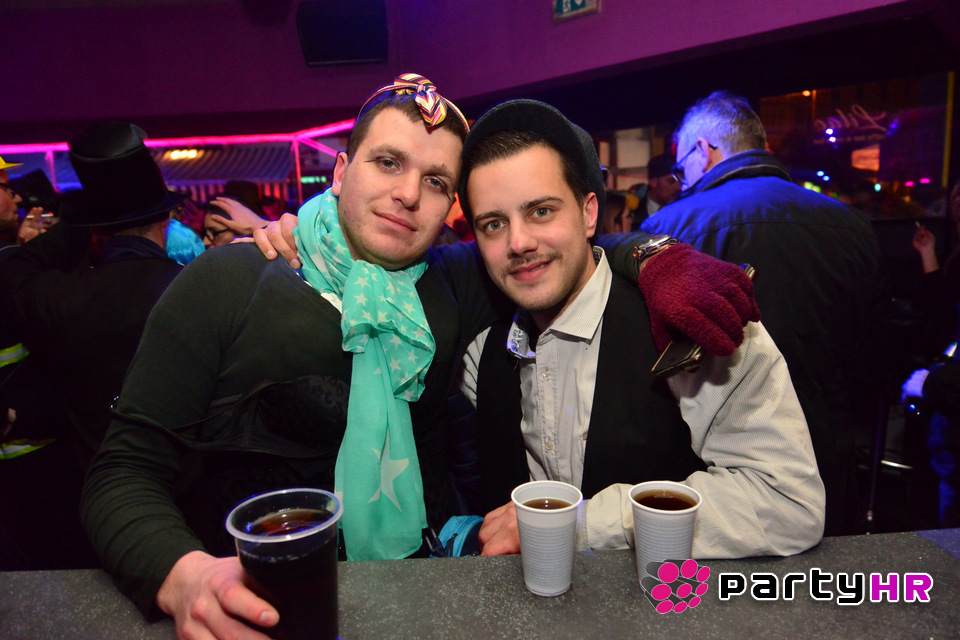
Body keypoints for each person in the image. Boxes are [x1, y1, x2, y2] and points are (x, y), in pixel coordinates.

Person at [83, 74, 758, 640]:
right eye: (387, 163)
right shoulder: (230, 282)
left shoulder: (450, 282)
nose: (408, 193)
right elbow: (122, 472)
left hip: (428, 602)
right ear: (340, 171)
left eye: (436, 181)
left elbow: (559, 245)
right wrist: (182, 575)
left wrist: (660, 258)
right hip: (264, 610)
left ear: (449, 208)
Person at [452, 99, 824, 559]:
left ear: (588, 213)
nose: (519, 242)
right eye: (493, 224)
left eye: (541, 211)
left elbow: (786, 503)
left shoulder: (691, 317)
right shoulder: (481, 352)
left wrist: (585, 524)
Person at [640, 91, 885, 536]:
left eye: (681, 167)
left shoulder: (667, 230)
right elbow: (874, 355)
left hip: (718, 468)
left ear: (703, 150)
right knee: (832, 577)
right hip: (827, 457)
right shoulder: (852, 225)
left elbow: (652, 363)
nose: (681, 179)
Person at [0, 122, 186, 568]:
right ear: (166, 219)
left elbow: (13, 270)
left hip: (101, 513)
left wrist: (76, 225)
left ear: (95, 231)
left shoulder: (58, 298)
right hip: (191, 504)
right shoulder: (195, 288)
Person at [630, 153, 681, 228]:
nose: (679, 187)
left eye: (681, 182)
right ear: (653, 182)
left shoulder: (685, 213)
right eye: (671, 181)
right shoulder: (632, 212)